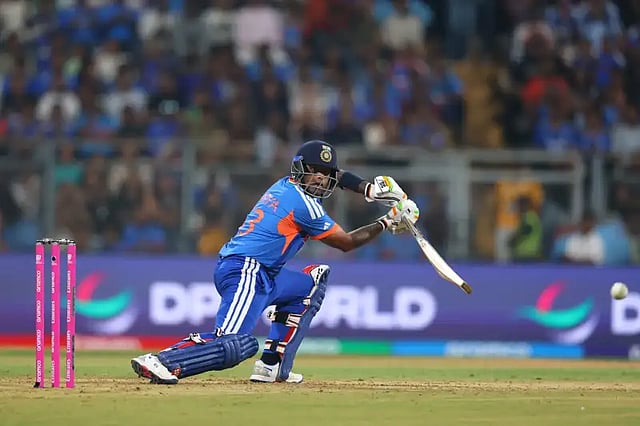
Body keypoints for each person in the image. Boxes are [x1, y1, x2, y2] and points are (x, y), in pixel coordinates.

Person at [130, 140, 420, 384]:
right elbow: (346, 243)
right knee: (235, 344)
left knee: (311, 285)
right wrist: (388, 221)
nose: (320, 178)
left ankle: (272, 366)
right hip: (246, 270)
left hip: (266, 274)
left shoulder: (285, 185)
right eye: (314, 172)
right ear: (300, 171)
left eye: (325, 174)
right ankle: (163, 360)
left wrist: (369, 190)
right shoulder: (304, 205)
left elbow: (339, 175)